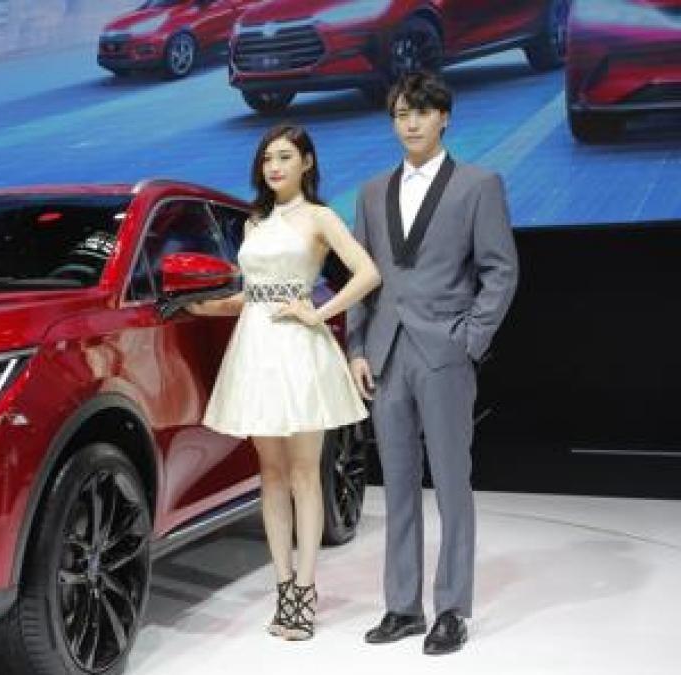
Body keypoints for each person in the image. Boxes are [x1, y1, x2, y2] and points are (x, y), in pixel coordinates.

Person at [348, 72, 518, 656]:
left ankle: (451, 608)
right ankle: (402, 606)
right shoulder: (372, 191)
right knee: (396, 484)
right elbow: (362, 276)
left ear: (444, 117)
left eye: (421, 112)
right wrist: (356, 347)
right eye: (401, 114)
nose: (411, 123)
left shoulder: (478, 184)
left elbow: (501, 269)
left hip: (445, 351)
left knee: (451, 482)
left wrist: (471, 339)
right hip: (386, 353)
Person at [188, 124, 380, 640]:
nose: (274, 166)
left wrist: (319, 312)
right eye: (268, 158)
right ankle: (283, 586)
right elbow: (251, 294)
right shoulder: (254, 222)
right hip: (255, 349)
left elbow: (367, 273)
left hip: (298, 351)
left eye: (285, 157)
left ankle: (306, 589)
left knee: (303, 474)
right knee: (270, 475)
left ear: (307, 162)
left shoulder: (320, 217)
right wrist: (205, 307)